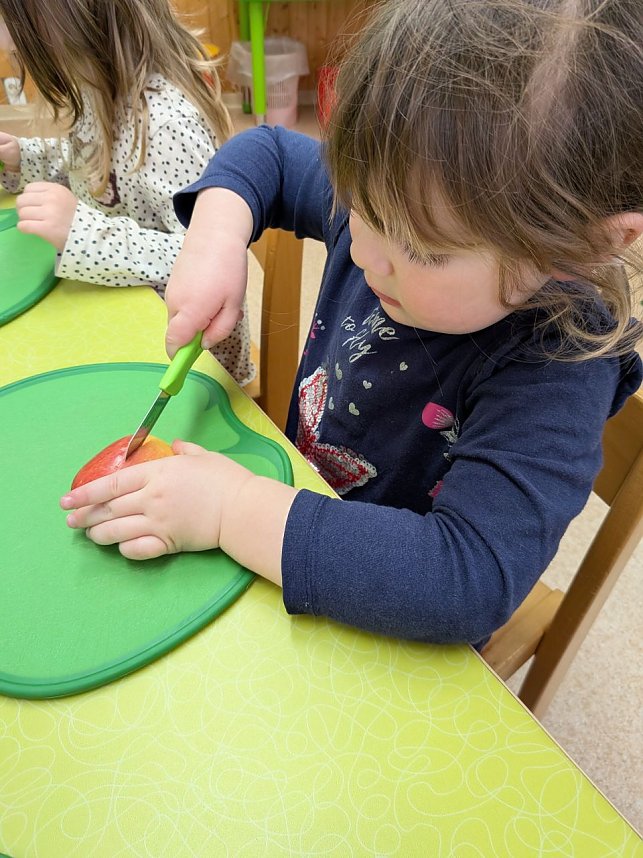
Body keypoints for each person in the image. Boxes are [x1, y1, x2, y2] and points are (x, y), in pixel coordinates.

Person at [61, 0, 643, 646]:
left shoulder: (559, 367)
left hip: (393, 641)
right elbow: (272, 156)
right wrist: (214, 238)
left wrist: (231, 510)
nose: (360, 249)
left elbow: (461, 580)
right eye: (350, 194)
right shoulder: (395, 197)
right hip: (285, 539)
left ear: (577, 248)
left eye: (420, 250)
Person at [0, 0, 252, 384]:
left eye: (22, 51)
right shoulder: (96, 86)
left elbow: (208, 263)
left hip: (190, 364)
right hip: (123, 311)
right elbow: (93, 163)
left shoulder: (168, 126)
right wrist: (24, 157)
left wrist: (84, 234)